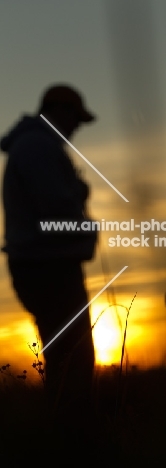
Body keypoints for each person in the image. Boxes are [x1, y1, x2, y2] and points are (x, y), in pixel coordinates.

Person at [0, 84, 98, 441]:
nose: (76, 128)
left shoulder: (36, 147)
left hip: (44, 265)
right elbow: (55, 208)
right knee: (73, 356)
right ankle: (74, 443)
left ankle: (64, 439)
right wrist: (85, 214)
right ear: (60, 111)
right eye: (75, 119)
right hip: (48, 267)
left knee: (64, 355)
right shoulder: (38, 147)